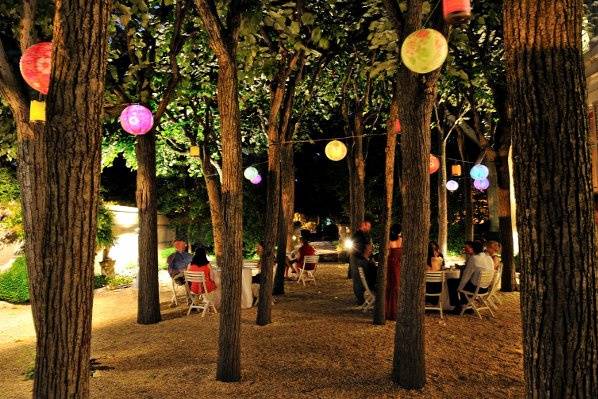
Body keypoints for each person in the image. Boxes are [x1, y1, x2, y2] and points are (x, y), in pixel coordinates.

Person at [456, 240, 494, 307]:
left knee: (452, 282)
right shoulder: (489, 258)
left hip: (476, 289)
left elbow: (466, 275)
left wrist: (459, 288)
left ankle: (458, 307)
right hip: (486, 288)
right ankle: (467, 304)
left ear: (473, 249)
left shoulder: (474, 258)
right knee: (462, 282)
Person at [349, 218, 373, 304]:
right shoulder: (363, 235)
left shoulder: (356, 234)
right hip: (360, 259)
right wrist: (366, 257)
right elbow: (368, 246)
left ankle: (360, 298)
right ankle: (360, 299)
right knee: (359, 279)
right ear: (364, 225)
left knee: (358, 279)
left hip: (356, 258)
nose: (369, 228)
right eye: (368, 226)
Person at [385, 224, 402, 320]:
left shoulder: (389, 241)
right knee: (396, 287)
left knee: (391, 287)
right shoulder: (401, 240)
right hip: (398, 265)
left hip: (391, 265)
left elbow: (388, 254)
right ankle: (394, 311)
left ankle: (389, 310)